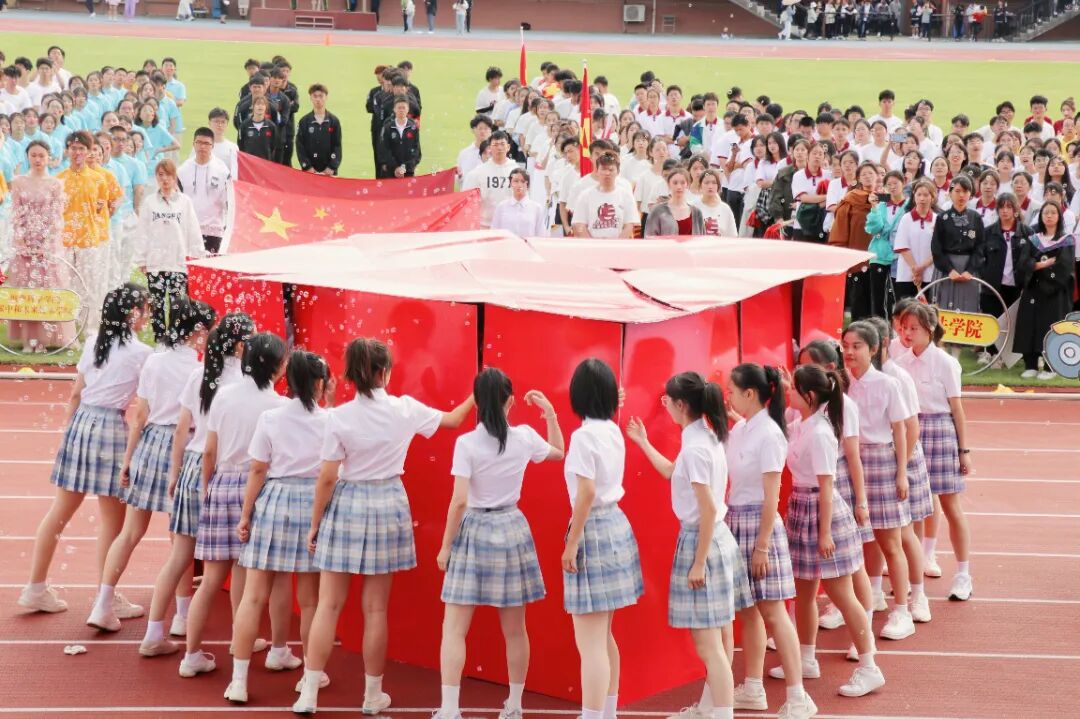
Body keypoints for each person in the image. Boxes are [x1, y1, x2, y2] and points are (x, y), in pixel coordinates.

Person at [294, 338, 474, 714]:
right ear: (383, 372)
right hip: (388, 501)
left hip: (347, 502)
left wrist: (314, 524)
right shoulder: (404, 409)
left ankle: (308, 693)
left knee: (328, 604)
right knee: (376, 609)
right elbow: (454, 420)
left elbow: (327, 477)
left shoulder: (339, 416)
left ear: (351, 373)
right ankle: (372, 696)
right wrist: (477, 391)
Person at [434, 369, 564, 719]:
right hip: (511, 528)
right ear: (511, 401)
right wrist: (550, 414)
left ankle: (449, 710)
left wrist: (445, 546)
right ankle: (515, 706)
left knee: (454, 628)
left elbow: (459, 501)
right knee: (515, 630)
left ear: (476, 401)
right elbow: (559, 452)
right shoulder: (524, 437)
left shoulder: (467, 444)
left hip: (474, 530)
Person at [626, 372, 755, 719]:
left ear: (681, 404)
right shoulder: (706, 437)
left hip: (703, 542)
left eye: (668, 400)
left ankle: (720, 713)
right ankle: (709, 708)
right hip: (716, 539)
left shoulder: (697, 447)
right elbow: (672, 472)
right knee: (721, 637)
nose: (664, 405)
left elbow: (707, 508)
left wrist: (698, 563)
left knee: (709, 645)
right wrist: (643, 442)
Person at [17, 285, 152, 615]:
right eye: (146, 309)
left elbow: (76, 393)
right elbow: (145, 407)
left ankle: (35, 587)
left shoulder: (94, 341)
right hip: (110, 428)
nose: (148, 316)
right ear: (133, 313)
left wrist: (69, 432)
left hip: (81, 423)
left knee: (59, 512)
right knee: (112, 522)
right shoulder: (142, 354)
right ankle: (106, 598)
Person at [86, 300, 216, 632]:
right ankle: (181, 617)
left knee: (130, 532)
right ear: (198, 331)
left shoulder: (155, 361)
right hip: (182, 447)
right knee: (181, 539)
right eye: (209, 329)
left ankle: (102, 604)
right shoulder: (200, 369)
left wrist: (128, 459)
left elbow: (140, 415)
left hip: (150, 442)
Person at [138, 313, 255, 656]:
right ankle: (240, 638)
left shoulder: (199, 373)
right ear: (240, 345)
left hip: (191, 465)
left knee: (179, 555)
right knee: (237, 561)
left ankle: (153, 633)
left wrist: (175, 474)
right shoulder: (244, 382)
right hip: (222, 473)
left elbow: (181, 429)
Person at [181, 333, 295, 679]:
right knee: (261, 575)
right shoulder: (278, 406)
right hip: (258, 491)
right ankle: (257, 645)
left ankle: (191, 655)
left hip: (221, 483)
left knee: (211, 579)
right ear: (277, 366)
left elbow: (209, 451)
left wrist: (208, 489)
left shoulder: (224, 396)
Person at [226, 351, 337, 703]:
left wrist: (246, 515)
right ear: (319, 382)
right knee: (310, 601)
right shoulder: (330, 421)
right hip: (312, 504)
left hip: (273, 501)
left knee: (253, 596)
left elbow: (258, 469)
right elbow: (332, 472)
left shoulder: (271, 417)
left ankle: (239, 681)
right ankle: (309, 676)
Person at [781, 364, 885, 698]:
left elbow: (827, 486)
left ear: (809, 396)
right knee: (804, 592)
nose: (789, 392)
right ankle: (806, 658)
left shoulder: (821, 433)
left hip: (822, 512)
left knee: (842, 595)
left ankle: (869, 667)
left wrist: (825, 533)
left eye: (793, 388)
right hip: (802, 507)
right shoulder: (802, 424)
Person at [721, 364, 816, 718]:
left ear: (749, 393)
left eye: (731, 390)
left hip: (761, 527)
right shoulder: (742, 428)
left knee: (774, 613)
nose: (728, 395)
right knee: (748, 612)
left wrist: (762, 546)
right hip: (736, 522)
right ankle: (753, 688)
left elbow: (771, 495)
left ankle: (798, 697)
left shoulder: (770, 435)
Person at [560, 358, 642, 719]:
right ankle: (606, 713)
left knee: (590, 642)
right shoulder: (612, 430)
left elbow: (586, 492)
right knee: (604, 635)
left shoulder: (583, 437)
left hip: (591, 531)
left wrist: (572, 542)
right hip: (615, 526)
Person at [840, 322, 919, 641]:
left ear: (873, 349)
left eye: (856, 346)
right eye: (845, 345)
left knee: (890, 541)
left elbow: (900, 429)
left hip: (882, 460)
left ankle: (902, 610)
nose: (849, 352)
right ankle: (871, 596)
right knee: (863, 539)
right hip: (850, 461)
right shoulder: (841, 383)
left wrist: (901, 472)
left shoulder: (888, 384)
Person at [894, 303, 974, 601]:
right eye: (904, 328)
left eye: (913, 328)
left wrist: (963, 450)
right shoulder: (900, 363)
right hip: (911, 430)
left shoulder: (945, 363)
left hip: (941, 431)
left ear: (929, 329)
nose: (907, 333)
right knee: (914, 509)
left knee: (951, 506)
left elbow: (957, 409)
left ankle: (963, 575)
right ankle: (915, 575)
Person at [5, 141, 70, 353]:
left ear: (48, 157)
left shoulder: (56, 184)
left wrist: (46, 243)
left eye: (41, 155)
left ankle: (44, 338)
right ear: (28, 157)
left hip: (48, 244)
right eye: (33, 155)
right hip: (24, 242)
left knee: (47, 287)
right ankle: (27, 339)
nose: (38, 159)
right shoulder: (18, 182)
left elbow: (57, 216)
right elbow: (15, 213)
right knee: (26, 290)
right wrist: (22, 241)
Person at [134, 159, 206, 343]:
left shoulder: (184, 202)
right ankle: (160, 340)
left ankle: (175, 340)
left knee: (177, 305)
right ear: (156, 177)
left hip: (178, 262)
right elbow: (142, 232)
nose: (165, 179)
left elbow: (193, 230)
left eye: (168, 175)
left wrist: (197, 256)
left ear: (175, 178)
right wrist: (142, 259)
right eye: (161, 175)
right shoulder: (149, 202)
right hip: (156, 262)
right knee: (157, 305)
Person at [1013, 201, 1075, 379]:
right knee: (1029, 325)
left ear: (1059, 217)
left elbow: (1064, 267)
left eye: (1053, 213)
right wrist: (1042, 265)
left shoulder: (1066, 240)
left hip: (1054, 291)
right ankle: (1031, 364)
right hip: (1033, 289)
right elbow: (1023, 262)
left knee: (1051, 327)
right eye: (1045, 212)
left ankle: (1050, 367)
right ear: (1040, 216)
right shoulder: (1034, 239)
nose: (1049, 216)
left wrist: (1041, 275)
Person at [58, 131, 110, 332]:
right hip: (64, 241)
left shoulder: (98, 180)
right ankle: (67, 328)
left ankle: (90, 328)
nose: (77, 152)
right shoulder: (59, 179)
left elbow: (100, 212)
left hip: (89, 241)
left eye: (81, 148)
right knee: (66, 284)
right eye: (73, 148)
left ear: (88, 152)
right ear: (67, 150)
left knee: (89, 285)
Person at [830, 162, 879, 320]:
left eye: (871, 173)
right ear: (858, 178)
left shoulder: (884, 198)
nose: (867, 176)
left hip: (880, 255)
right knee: (859, 297)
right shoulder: (851, 199)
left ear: (877, 176)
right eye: (864, 174)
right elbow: (840, 227)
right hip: (858, 253)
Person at [931, 175, 986, 312]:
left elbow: (980, 246)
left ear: (970, 194)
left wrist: (970, 270)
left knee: (968, 308)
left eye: (965, 191)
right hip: (947, 269)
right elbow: (936, 247)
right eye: (957, 191)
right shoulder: (942, 218)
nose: (961, 195)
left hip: (969, 268)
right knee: (944, 307)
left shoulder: (975, 217)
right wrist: (949, 269)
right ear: (950, 193)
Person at [177, 128, 231, 256]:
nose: (202, 146)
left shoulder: (222, 171)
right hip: (189, 230)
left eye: (206, 143)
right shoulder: (182, 171)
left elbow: (229, 202)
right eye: (199, 142)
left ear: (212, 146)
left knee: (212, 267)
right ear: (193, 144)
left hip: (214, 230)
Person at [571, 153, 641, 239]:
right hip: (591, 245)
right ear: (597, 171)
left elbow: (629, 226)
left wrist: (617, 244)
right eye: (603, 169)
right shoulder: (585, 196)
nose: (607, 173)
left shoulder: (626, 195)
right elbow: (579, 225)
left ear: (618, 172)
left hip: (618, 245)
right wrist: (592, 244)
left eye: (611, 170)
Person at [892, 177, 939, 302]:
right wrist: (915, 269)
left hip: (930, 275)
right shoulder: (906, 218)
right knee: (906, 309)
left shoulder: (937, 220)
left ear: (932, 197)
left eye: (926, 195)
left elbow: (938, 249)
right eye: (919, 195)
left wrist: (922, 267)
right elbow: (902, 246)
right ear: (914, 196)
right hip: (907, 274)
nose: (922, 198)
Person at [462, 130, 515, 228]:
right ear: (490, 148)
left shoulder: (516, 171)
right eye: (495, 145)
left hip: (509, 226)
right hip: (485, 226)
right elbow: (466, 200)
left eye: (502, 144)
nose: (499, 148)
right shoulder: (477, 173)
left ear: (508, 147)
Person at [296, 84, 342, 176]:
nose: (318, 99)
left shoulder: (334, 121)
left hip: (329, 172)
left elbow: (337, 146)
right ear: (311, 98)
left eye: (321, 96)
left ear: (326, 97)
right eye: (315, 96)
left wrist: (332, 167)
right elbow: (300, 146)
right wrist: (307, 167)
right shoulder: (304, 121)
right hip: (310, 172)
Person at [644, 167, 704, 237]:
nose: (679, 187)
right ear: (669, 184)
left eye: (682, 183)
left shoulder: (696, 212)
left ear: (687, 185)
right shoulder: (657, 211)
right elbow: (649, 238)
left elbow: (702, 239)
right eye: (675, 183)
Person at [491, 168, 547, 237]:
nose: (519, 185)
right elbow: (494, 233)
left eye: (523, 181)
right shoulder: (501, 207)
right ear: (510, 183)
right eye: (516, 181)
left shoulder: (536, 208)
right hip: (507, 243)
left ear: (527, 185)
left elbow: (541, 235)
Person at [376, 97, 422, 179]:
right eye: (399, 108)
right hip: (391, 171)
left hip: (408, 171)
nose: (401, 110)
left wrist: (405, 167)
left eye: (403, 108)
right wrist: (395, 167)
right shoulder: (388, 128)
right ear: (394, 109)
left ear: (408, 109)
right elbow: (384, 149)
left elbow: (417, 151)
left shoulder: (413, 128)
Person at [695, 169, 738, 237]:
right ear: (700, 186)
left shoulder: (725, 209)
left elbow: (732, 236)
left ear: (718, 186)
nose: (710, 186)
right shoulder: (693, 207)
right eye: (706, 183)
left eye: (714, 183)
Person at [237, 97, 280, 163]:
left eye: (263, 104)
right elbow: (241, 145)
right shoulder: (244, 125)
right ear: (253, 106)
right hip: (249, 163)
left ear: (266, 107)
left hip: (265, 164)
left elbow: (274, 146)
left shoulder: (271, 126)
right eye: (258, 104)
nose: (260, 106)